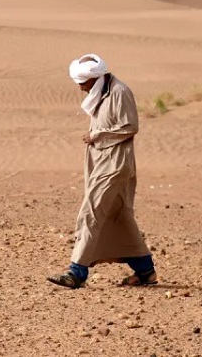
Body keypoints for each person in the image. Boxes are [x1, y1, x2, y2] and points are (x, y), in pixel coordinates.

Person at [47, 53, 157, 289]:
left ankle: (76, 273)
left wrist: (97, 135)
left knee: (91, 211)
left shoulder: (120, 92)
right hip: (102, 162)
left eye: (83, 84)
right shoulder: (103, 92)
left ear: (96, 78)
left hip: (116, 164)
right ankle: (145, 271)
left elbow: (130, 126)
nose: (81, 89)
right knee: (119, 217)